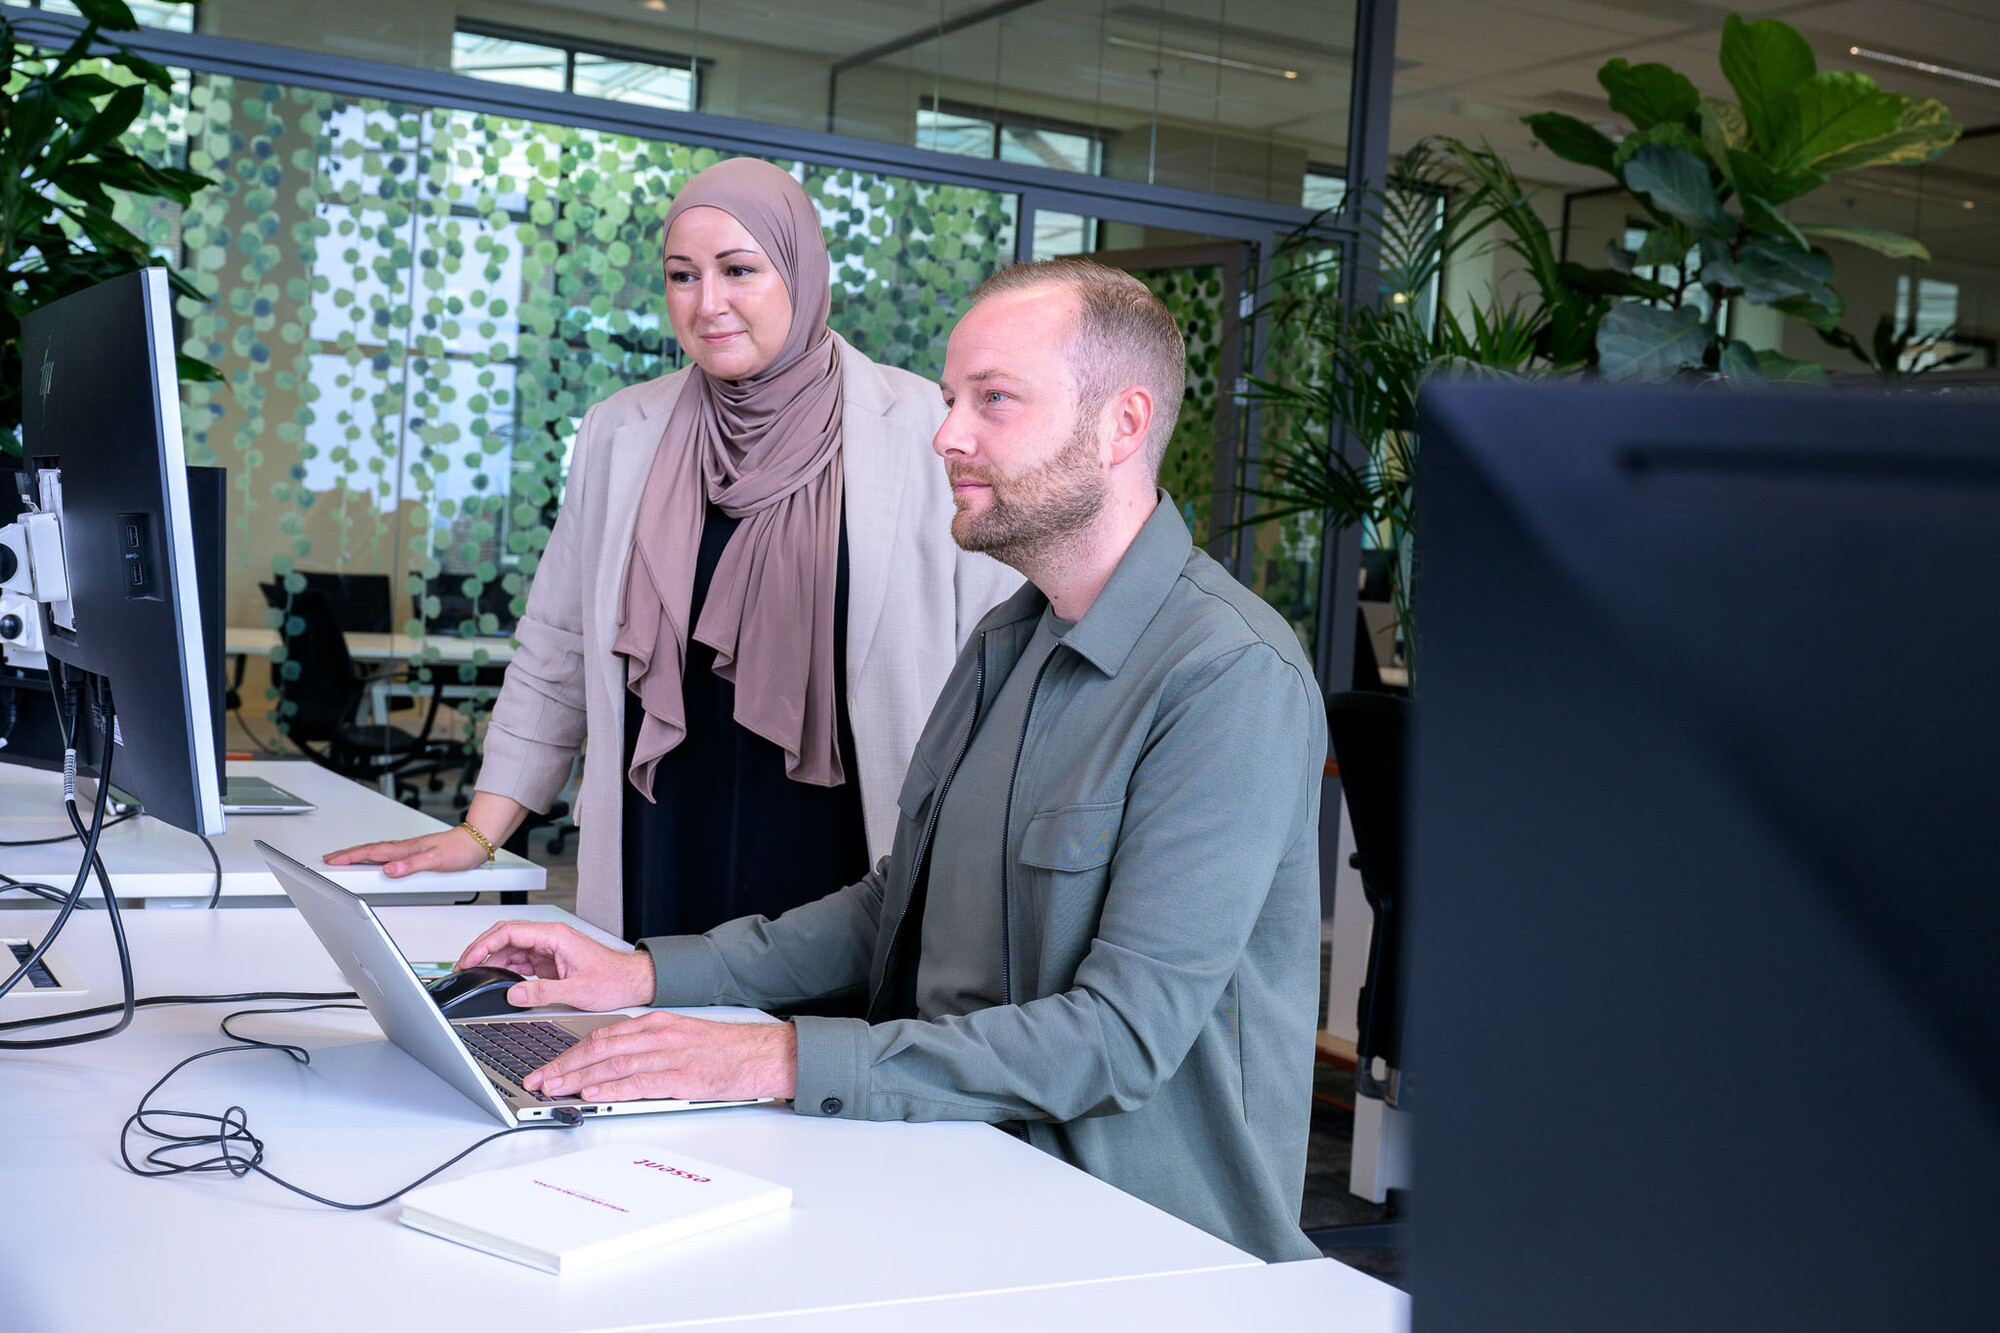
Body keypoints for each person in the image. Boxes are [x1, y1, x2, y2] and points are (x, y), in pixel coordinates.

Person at [453, 258, 1327, 1262]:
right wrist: (643, 973)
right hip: (952, 1176)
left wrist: (775, 1056)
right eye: (952, 399)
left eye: (993, 400)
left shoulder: (1228, 676)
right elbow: (890, 908)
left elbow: (1117, 1037)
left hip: (1129, 1241)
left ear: (1121, 425)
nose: (946, 433)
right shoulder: (1006, 641)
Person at [326, 157, 1017, 940]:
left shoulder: (926, 429)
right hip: (663, 833)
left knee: (802, 1054)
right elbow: (555, 648)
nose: (708, 302)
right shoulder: (621, 432)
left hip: (846, 858)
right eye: (682, 276)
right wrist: (480, 830)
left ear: (801, 268)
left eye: (739, 270)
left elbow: (995, 673)